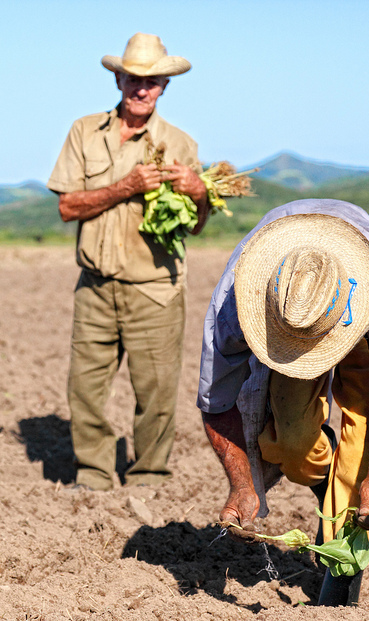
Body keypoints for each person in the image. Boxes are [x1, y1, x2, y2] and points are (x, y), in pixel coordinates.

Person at [197, 198, 369, 606]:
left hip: (361, 326)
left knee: (362, 454)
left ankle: (342, 578)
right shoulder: (236, 302)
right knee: (290, 440)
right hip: (292, 324)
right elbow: (215, 399)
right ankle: (321, 478)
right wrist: (242, 484)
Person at [47, 33, 210, 491]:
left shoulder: (181, 143)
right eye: (134, 79)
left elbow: (197, 225)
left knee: (156, 394)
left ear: (165, 86)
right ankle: (94, 476)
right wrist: (126, 185)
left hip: (155, 289)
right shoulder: (83, 131)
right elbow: (66, 207)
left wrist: (198, 193)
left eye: (153, 81)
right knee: (85, 388)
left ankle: (148, 479)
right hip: (94, 286)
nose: (142, 89)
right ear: (118, 78)